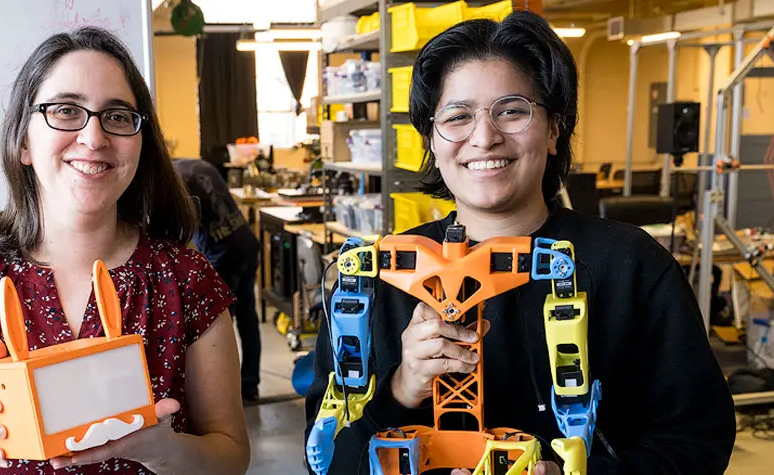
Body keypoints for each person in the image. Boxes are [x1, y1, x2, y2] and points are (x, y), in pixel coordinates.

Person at [304, 12, 736, 475]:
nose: (485, 137)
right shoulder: (379, 279)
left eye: (512, 110)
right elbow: (324, 462)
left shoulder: (630, 266)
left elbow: (698, 443)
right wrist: (401, 390)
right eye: (458, 115)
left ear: (554, 130)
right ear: (432, 138)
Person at [0, 27, 250, 475]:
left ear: (140, 141)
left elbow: (231, 456)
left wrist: (162, 450)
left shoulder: (184, 278)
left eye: (118, 116)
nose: (94, 137)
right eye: (66, 110)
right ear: (23, 141)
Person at [172, 157, 263, 403]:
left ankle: (225, 395)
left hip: (223, 252)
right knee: (247, 318)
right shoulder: (199, 165)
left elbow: (183, 227)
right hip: (246, 243)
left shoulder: (178, 178)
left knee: (218, 327)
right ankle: (249, 386)